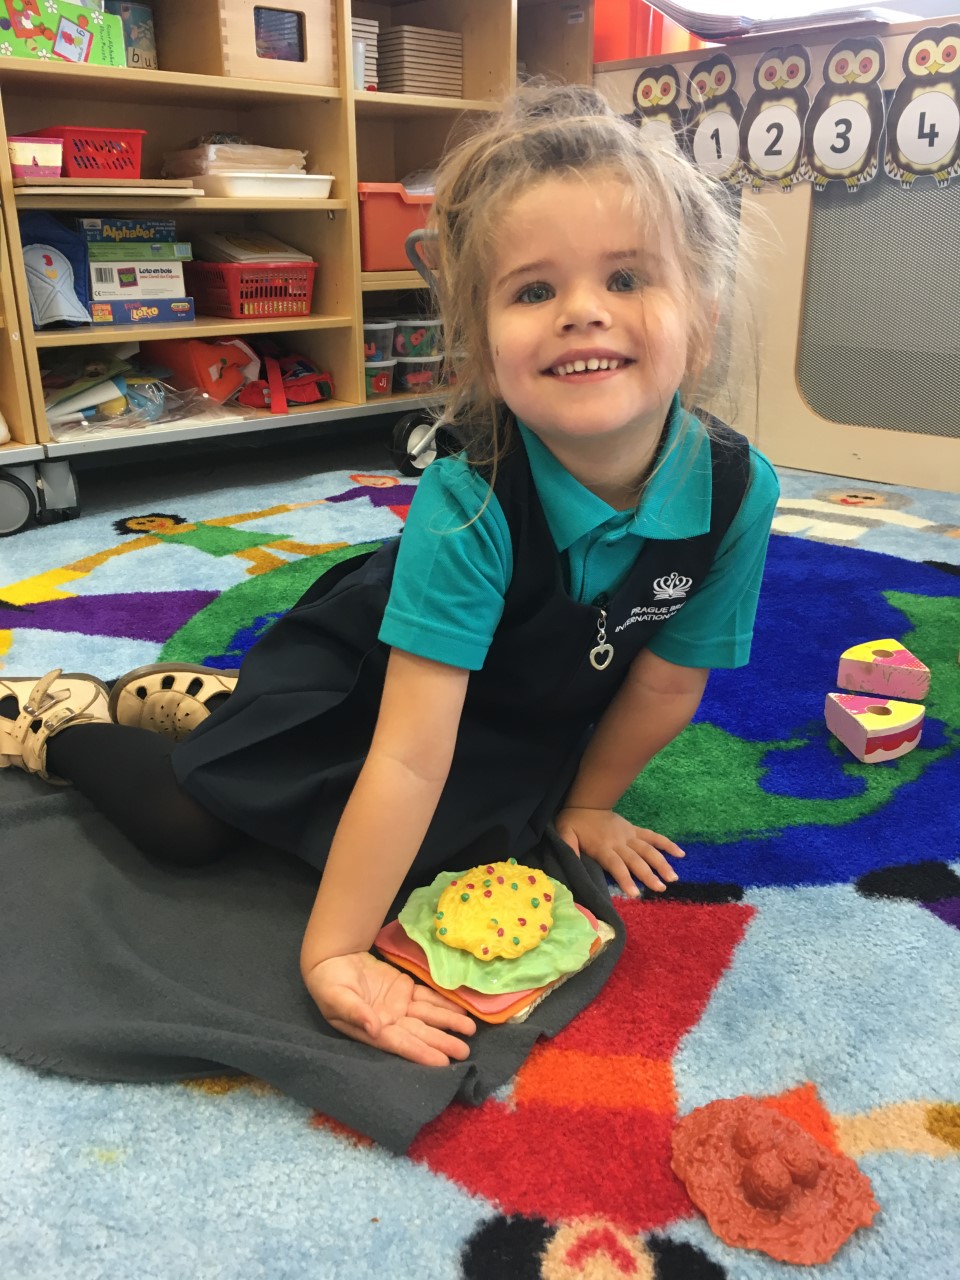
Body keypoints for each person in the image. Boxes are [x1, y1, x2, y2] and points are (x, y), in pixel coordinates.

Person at [0, 84, 779, 1071]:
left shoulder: (737, 489)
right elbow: (409, 757)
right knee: (187, 824)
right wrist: (334, 951)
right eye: (533, 291)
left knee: (468, 861)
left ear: (702, 322)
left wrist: (588, 804)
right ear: (484, 346)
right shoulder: (468, 499)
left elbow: (665, 682)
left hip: (508, 712)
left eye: (626, 277)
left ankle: (207, 702)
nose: (583, 311)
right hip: (370, 684)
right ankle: (65, 719)